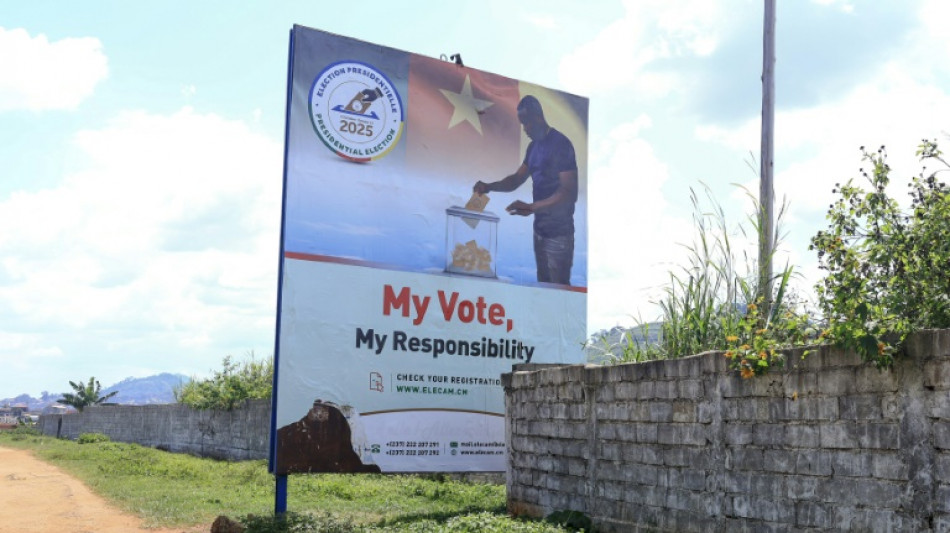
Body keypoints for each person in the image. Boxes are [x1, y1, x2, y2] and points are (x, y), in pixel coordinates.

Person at [474, 95, 578, 285]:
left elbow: (568, 193)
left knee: (557, 295)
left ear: (538, 118)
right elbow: (516, 179)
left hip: (559, 237)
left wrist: (532, 207)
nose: (524, 129)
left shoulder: (561, 144)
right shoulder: (533, 148)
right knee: (543, 290)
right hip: (539, 233)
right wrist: (488, 187)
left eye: (526, 123)